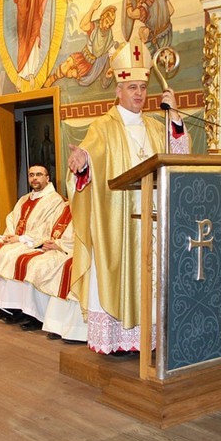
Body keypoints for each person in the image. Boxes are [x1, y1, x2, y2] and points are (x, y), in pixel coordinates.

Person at [67, 37, 190, 354]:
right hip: (118, 220)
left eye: (143, 87)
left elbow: (179, 157)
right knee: (121, 273)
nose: (139, 93)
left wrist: (175, 118)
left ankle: (149, 338)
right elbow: (90, 159)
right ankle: (118, 341)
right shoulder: (103, 127)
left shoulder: (155, 126)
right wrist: (82, 165)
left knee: (152, 278)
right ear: (118, 91)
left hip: (153, 219)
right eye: (132, 87)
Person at [0, 164, 65, 325]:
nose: (34, 178)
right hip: (17, 239)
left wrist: (20, 239)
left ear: (47, 178)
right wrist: (10, 235)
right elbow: (12, 218)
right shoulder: (24, 198)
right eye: (31, 175)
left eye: (39, 175)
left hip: (32, 242)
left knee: (12, 257)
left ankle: (12, 307)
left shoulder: (54, 201)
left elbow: (47, 228)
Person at [19, 204, 88, 342]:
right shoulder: (74, 205)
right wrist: (56, 244)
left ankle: (78, 331)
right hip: (74, 252)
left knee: (75, 270)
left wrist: (61, 246)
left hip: (93, 255)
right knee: (64, 269)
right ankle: (59, 326)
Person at [43, 0, 117, 88]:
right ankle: (52, 79)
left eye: (110, 24)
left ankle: (56, 79)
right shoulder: (94, 27)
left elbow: (111, 52)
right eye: (107, 22)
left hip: (89, 64)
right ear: (102, 17)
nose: (107, 26)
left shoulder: (109, 35)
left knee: (71, 73)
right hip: (82, 55)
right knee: (68, 63)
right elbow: (83, 25)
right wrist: (92, 9)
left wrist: (111, 67)